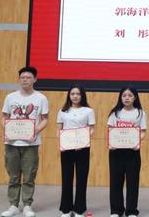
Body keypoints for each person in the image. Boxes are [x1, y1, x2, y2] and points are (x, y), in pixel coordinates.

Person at [0, 66, 49, 217]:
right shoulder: (10, 97)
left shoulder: (41, 98)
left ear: (35, 79)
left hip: (31, 144)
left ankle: (27, 205)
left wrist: (35, 131)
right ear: (19, 79)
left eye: (28, 78)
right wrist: (7, 129)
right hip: (12, 143)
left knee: (29, 176)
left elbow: (45, 119)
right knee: (13, 176)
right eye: (22, 78)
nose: (25, 80)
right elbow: (4, 117)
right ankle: (13, 205)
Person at [107, 86, 147, 217]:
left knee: (132, 182)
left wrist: (137, 142)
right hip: (116, 152)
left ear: (135, 97)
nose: (127, 98)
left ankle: (131, 211)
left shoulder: (140, 113)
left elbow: (143, 132)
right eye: (124, 96)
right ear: (120, 98)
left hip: (132, 152)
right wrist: (112, 143)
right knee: (115, 182)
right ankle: (116, 210)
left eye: (130, 95)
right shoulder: (115, 113)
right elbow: (110, 131)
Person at [57, 85, 95, 217]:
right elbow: (59, 129)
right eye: (72, 93)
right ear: (69, 95)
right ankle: (66, 210)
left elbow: (91, 129)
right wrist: (61, 143)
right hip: (67, 149)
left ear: (82, 95)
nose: (75, 96)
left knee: (82, 179)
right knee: (66, 178)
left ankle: (79, 209)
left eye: (78, 94)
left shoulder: (88, 111)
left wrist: (82, 141)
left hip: (82, 149)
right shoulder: (63, 111)